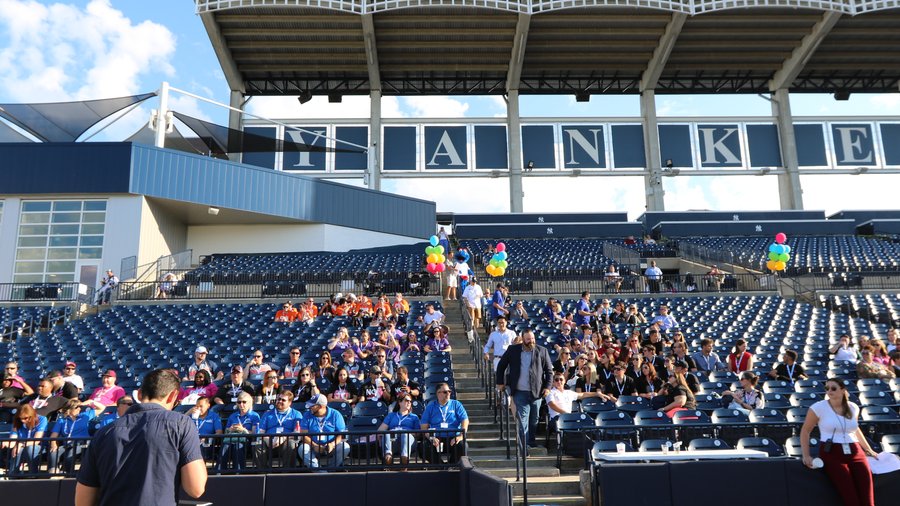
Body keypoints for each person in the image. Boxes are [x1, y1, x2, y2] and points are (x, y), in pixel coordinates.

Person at [75, 369, 207, 506]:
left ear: (138, 394)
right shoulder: (181, 424)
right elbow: (196, 488)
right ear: (173, 396)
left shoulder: (103, 432)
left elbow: (82, 501)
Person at [800, 378, 878, 506]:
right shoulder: (818, 407)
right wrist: (806, 455)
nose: (829, 391)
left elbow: (855, 429)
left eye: (833, 388)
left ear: (843, 390)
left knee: (868, 498)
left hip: (855, 450)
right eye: (827, 388)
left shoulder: (853, 407)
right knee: (851, 498)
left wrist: (868, 449)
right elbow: (805, 431)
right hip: (832, 452)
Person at [496, 328, 553, 449]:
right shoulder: (513, 350)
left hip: (537, 392)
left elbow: (549, 372)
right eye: (528, 339)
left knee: (534, 420)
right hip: (519, 392)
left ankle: (531, 442)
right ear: (522, 339)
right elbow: (501, 366)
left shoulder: (542, 351)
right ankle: (524, 447)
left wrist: (547, 387)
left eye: (533, 338)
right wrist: (500, 383)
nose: (531, 341)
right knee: (523, 420)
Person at [420, 383, 469, 464]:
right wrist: (431, 438)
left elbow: (465, 420)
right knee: (423, 446)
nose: (448, 394)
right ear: (438, 393)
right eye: (445, 392)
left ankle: (452, 465)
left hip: (453, 438)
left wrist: (460, 436)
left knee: (463, 445)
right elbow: (423, 426)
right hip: (437, 438)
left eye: (449, 391)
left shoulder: (456, 404)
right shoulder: (431, 406)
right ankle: (441, 466)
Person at [298, 394, 349, 469]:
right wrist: (314, 445)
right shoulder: (307, 415)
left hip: (331, 446)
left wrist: (332, 444)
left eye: (312, 405)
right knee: (302, 448)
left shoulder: (335, 414)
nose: (310, 407)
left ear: (320, 406)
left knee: (345, 446)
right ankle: (319, 471)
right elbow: (304, 434)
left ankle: (331, 469)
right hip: (313, 446)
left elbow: (341, 434)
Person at [255, 391, 302, 469]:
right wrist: (267, 440)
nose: (280, 401)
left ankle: (287, 472)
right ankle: (262, 471)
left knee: (291, 444)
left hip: (285, 443)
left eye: (283, 400)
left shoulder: (296, 414)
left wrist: (283, 438)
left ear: (290, 402)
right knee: (258, 444)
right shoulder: (267, 414)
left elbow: (297, 434)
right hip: (269, 443)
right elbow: (260, 432)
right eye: (278, 399)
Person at [48, 399, 95, 474]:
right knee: (54, 452)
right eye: (77, 407)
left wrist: (90, 402)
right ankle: (53, 472)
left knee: (70, 454)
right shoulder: (62, 421)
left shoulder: (85, 417)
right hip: (67, 444)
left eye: (80, 407)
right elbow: (53, 435)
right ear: (70, 409)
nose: (79, 409)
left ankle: (67, 474)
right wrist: (53, 445)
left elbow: (101, 408)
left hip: (81, 444)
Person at [217, 391, 259, 472]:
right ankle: (219, 472)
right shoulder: (233, 416)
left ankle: (239, 473)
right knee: (225, 447)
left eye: (244, 402)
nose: (241, 404)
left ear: (250, 403)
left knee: (238, 446)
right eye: (239, 402)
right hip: (231, 438)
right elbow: (226, 431)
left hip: (246, 440)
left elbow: (255, 433)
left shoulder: (254, 416)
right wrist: (230, 429)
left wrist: (244, 430)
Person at [2, 404, 46, 475]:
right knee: (18, 449)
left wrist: (20, 444)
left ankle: (33, 473)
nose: (22, 421)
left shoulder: (42, 419)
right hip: (21, 446)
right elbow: (13, 440)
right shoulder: (17, 422)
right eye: (20, 418)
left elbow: (36, 441)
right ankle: (13, 474)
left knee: (30, 448)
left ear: (32, 415)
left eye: (25, 418)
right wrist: (6, 443)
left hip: (38, 446)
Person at [378, 393, 420, 466]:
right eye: (407, 400)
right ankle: (388, 456)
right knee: (387, 433)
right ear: (399, 402)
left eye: (410, 401)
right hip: (393, 442)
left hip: (408, 442)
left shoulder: (414, 417)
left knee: (405, 435)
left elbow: (418, 433)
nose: (409, 403)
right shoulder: (391, 415)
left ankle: (404, 457)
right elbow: (380, 430)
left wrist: (405, 432)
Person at [187, 397, 223, 461]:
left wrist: (207, 438)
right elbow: (179, 422)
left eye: (201, 406)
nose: (198, 408)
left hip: (207, 443)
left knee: (203, 446)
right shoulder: (191, 415)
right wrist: (188, 413)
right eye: (197, 406)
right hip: (192, 441)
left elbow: (219, 432)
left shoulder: (214, 416)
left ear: (208, 406)